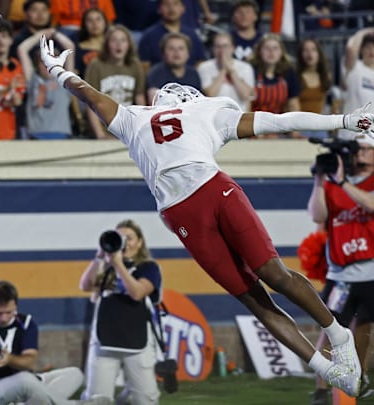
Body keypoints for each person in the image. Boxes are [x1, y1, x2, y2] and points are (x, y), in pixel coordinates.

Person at [39, 34, 374, 398]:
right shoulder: (202, 111)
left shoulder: (134, 117)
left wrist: (57, 69)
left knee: (259, 292)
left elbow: (87, 92)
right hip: (210, 192)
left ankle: (338, 344)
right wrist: (342, 119)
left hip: (185, 207)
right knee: (268, 278)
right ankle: (333, 362)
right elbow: (282, 120)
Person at [307, 138, 374, 404]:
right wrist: (320, 181)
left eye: (368, 149)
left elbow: (370, 204)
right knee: (331, 328)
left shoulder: (356, 183)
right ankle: (322, 388)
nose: (362, 153)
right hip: (341, 275)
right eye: (360, 148)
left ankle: (358, 378)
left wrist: (342, 182)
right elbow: (317, 215)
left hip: (370, 271)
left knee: (365, 327)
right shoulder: (334, 182)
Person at [0, 280, 91, 404]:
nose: (4, 318)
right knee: (26, 380)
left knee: (74, 374)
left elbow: (29, 362)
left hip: (24, 384)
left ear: (16, 305)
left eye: (9, 312)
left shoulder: (26, 323)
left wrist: (9, 359)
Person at [79, 220, 162, 404]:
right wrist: (99, 257)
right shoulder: (106, 268)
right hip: (104, 339)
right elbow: (84, 285)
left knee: (144, 399)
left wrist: (119, 265)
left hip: (137, 341)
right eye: (120, 238)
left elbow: (137, 293)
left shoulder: (149, 268)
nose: (125, 242)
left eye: (129, 238)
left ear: (140, 242)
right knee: (97, 399)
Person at [84, 24, 146, 139]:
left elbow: (139, 99)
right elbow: (90, 102)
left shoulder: (135, 65)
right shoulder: (96, 65)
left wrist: (139, 132)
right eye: (114, 40)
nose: (119, 44)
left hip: (128, 129)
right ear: (107, 44)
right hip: (103, 126)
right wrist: (100, 135)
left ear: (129, 45)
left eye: (123, 40)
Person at [196, 32, 254, 112]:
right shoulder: (204, 67)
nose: (222, 51)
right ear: (213, 49)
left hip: (239, 114)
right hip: (214, 114)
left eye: (225, 46)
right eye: (218, 47)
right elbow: (210, 95)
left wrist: (232, 71)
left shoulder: (246, 67)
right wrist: (223, 70)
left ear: (232, 48)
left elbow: (246, 95)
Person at [145, 32, 201, 104]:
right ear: (163, 53)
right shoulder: (155, 73)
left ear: (188, 53)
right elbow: (154, 102)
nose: (176, 52)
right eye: (171, 49)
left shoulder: (194, 73)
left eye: (181, 48)